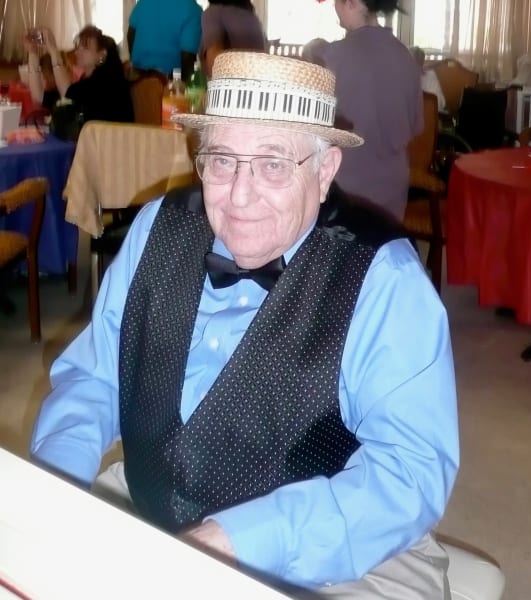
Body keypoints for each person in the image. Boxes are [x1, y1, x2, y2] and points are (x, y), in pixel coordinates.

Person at [30, 51, 460, 597]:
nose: (239, 194)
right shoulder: (155, 229)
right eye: (222, 160)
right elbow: (94, 379)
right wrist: (55, 488)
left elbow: (410, 473)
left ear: (325, 169)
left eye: (274, 164)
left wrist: (235, 543)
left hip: (342, 548)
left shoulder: (383, 279)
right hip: (155, 500)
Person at [313, 0, 423, 223]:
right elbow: (415, 126)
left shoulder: (334, 56)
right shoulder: (405, 56)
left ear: (351, 3)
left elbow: (314, 123)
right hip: (392, 186)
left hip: (344, 185)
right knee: (383, 251)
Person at [27, 25, 133, 124]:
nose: (78, 51)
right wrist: (32, 52)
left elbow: (68, 93)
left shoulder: (109, 83)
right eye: (78, 47)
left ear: (102, 55)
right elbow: (39, 97)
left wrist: (53, 50)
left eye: (85, 47)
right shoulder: (86, 83)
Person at [127, 0, 202, 80]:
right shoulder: (192, 9)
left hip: (136, 80)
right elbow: (187, 57)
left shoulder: (144, 2)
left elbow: (130, 35)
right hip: (169, 82)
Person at [199, 0, 266, 77]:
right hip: (256, 83)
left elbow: (214, 66)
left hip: (229, 85)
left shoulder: (213, 13)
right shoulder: (252, 17)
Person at [410, 45, 446, 113]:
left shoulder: (430, 76)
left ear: (422, 63)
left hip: (428, 116)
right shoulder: (402, 78)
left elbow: (440, 103)